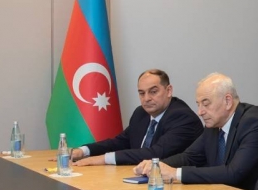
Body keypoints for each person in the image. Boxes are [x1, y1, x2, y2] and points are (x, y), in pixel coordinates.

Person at [133, 73, 258, 190]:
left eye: (206, 104)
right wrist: (156, 166)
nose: (200, 112)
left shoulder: (253, 124)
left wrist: (176, 174)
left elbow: (232, 173)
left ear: (227, 101)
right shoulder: (214, 124)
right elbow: (190, 157)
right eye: (198, 104)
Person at [72, 69, 202, 166]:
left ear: (168, 91)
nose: (146, 98)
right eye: (141, 93)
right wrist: (83, 151)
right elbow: (120, 142)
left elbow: (155, 154)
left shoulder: (182, 117)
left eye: (153, 92)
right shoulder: (141, 113)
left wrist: (103, 159)